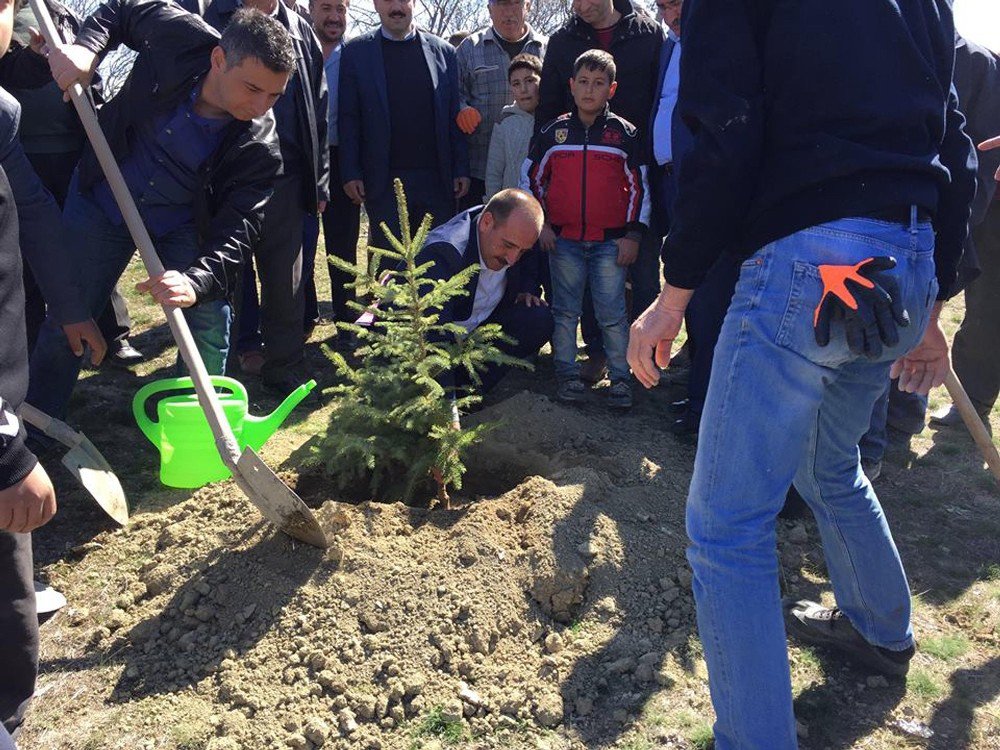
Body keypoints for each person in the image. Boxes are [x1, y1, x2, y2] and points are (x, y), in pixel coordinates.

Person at [627, 0, 976, 746]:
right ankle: (882, 631)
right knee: (828, 464)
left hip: (810, 265)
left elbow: (721, 129)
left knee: (726, 525)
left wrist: (674, 292)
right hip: (902, 258)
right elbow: (955, 143)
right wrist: (935, 291)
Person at [27, 0, 294, 422]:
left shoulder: (260, 145)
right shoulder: (180, 37)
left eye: (274, 95)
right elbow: (123, 8)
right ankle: (38, 427)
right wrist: (87, 48)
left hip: (181, 221)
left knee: (208, 318)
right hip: (102, 201)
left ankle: (197, 426)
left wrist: (195, 281)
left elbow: (240, 227)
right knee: (69, 316)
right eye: (252, 88)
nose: (262, 106)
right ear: (219, 58)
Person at [198, 0, 329, 393]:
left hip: (287, 178)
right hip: (229, 177)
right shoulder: (215, 21)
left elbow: (319, 109)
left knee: (286, 280)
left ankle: (285, 365)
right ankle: (225, 370)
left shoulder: (303, 30)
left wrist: (319, 179)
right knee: (228, 276)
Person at [0, 0, 139, 366]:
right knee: (25, 255)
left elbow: (87, 66)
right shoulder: (12, 23)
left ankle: (113, 332)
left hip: (74, 147)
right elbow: (15, 71)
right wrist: (34, 56)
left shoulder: (57, 11)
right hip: (25, 149)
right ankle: (26, 347)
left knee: (85, 239)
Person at [537, 0, 662, 384]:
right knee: (581, 293)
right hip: (577, 179)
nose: (581, 5)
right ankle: (594, 354)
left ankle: (644, 361)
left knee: (640, 275)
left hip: (637, 169)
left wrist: (634, 227)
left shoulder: (646, 33)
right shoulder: (563, 40)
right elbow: (547, 116)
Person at [526, 50, 649, 410]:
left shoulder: (624, 134)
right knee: (565, 311)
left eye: (598, 84)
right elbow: (531, 180)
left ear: (611, 89)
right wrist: (542, 225)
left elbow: (640, 188)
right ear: (571, 85)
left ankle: (620, 379)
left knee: (612, 314)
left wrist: (633, 234)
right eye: (583, 82)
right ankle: (566, 375)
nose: (589, 90)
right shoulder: (553, 133)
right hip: (562, 240)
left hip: (611, 242)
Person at [338, 0, 469, 243]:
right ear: (376, 4)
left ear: (415, 3)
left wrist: (460, 167)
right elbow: (349, 118)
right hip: (382, 182)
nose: (396, 7)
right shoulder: (355, 53)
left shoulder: (445, 53)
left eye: (403, 0)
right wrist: (351, 172)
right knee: (387, 269)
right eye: (388, 0)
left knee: (435, 264)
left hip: (436, 182)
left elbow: (454, 115)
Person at [415, 188, 551, 395]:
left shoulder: (515, 239)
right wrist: (446, 406)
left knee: (537, 319)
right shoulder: (444, 253)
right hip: (426, 346)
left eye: (522, 251)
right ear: (486, 222)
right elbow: (432, 335)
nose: (512, 259)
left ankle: (469, 392)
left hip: (476, 335)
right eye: (508, 246)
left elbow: (529, 258)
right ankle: (447, 399)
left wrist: (527, 288)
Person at [929, 39, 1000, 429]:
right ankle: (973, 399)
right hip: (982, 195)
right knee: (989, 300)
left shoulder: (976, 60)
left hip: (987, 196)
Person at [299, 0, 359, 336]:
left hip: (342, 160)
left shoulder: (356, 55)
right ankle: (305, 316)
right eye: (326, 8)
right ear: (311, 9)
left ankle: (347, 321)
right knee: (299, 245)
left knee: (343, 246)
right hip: (300, 161)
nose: (334, 17)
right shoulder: (295, 45)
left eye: (341, 9)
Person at [455, 0, 546, 208]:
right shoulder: (469, 48)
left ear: (528, 6)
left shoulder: (546, 47)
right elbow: (453, 93)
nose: (508, 12)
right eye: (501, 4)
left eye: (515, 3)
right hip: (478, 169)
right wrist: (462, 109)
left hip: (538, 170)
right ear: (489, 9)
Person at [484, 53, 541, 198]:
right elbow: (494, 172)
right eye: (516, 84)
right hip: (512, 207)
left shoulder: (554, 121)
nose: (523, 89)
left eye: (529, 81)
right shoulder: (504, 122)